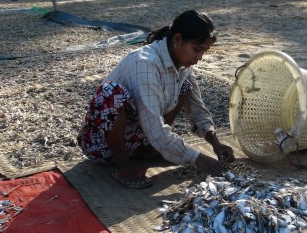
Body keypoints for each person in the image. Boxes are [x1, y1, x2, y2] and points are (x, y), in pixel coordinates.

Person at [77, 10, 236, 189]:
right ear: (177, 40)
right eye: (197, 49)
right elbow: (154, 127)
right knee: (110, 93)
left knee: (186, 87)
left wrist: (215, 143)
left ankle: (150, 151)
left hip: (139, 142)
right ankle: (123, 164)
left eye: (204, 52)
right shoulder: (145, 63)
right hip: (102, 147)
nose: (199, 58)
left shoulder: (183, 66)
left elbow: (197, 108)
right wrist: (198, 159)